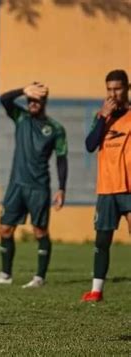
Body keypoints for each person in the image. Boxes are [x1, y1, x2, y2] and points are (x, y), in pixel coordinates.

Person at [0, 83, 68, 288]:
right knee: (4, 230)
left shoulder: (55, 129)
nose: (32, 103)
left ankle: (39, 277)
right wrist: (22, 90)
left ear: (44, 101)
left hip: (38, 187)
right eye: (30, 99)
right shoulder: (21, 118)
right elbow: (4, 99)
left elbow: (62, 159)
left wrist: (62, 188)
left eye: (36, 99)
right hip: (16, 185)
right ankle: (5, 274)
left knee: (39, 232)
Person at [82, 69, 131, 302]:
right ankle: (96, 290)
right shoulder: (102, 116)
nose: (113, 94)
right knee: (102, 240)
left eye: (117, 89)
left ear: (127, 88)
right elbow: (90, 145)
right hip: (106, 188)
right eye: (109, 89)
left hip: (129, 188)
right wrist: (103, 117)